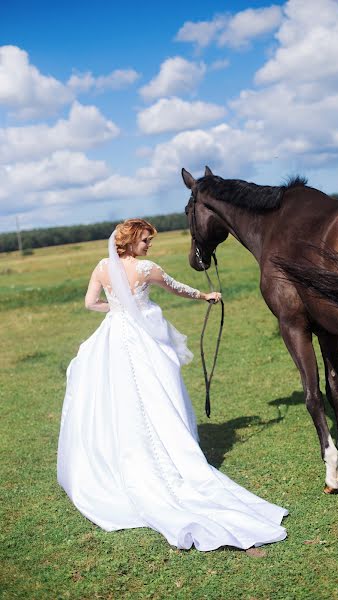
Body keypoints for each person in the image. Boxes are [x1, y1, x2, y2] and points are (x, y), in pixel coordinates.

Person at [57, 218, 288, 551]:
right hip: (144, 339)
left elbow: (90, 303)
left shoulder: (102, 267)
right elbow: (178, 288)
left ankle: (128, 456)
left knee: (121, 397)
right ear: (132, 240)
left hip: (113, 335)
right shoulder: (146, 268)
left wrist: (120, 308)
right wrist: (205, 294)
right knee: (156, 393)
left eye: (150, 241)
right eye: (145, 240)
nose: (149, 246)